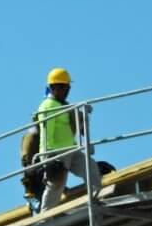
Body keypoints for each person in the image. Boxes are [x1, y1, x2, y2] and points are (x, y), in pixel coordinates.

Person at [36, 67, 105, 211]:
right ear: (55, 87)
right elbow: (46, 134)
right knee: (56, 185)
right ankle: (44, 219)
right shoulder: (47, 106)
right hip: (57, 153)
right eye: (65, 87)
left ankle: (96, 200)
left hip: (71, 149)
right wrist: (46, 160)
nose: (67, 91)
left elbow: (74, 122)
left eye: (68, 88)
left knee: (91, 168)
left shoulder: (64, 105)